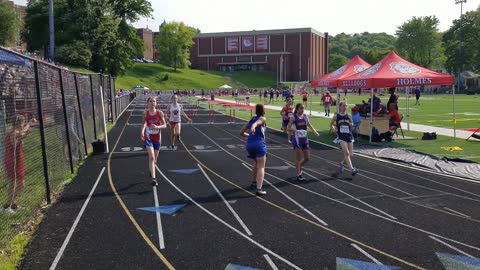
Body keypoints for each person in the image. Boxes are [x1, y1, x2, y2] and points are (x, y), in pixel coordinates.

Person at [2, 115, 37, 213]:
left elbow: (22, 132)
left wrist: (27, 125)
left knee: (20, 184)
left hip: (17, 159)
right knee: (14, 183)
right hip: (12, 161)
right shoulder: (13, 132)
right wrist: (29, 124)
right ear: (18, 124)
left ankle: (12, 204)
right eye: (22, 123)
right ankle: (7, 206)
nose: (23, 125)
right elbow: (21, 132)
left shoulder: (14, 131)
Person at [287, 103, 320, 181]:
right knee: (298, 158)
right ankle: (299, 174)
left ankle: (299, 166)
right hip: (297, 140)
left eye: (303, 108)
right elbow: (288, 128)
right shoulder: (293, 118)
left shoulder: (305, 116)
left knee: (307, 158)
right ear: (297, 109)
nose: (302, 110)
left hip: (305, 139)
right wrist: (296, 130)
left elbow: (309, 124)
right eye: (301, 108)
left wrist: (315, 132)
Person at [240, 104, 267, 196]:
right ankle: (259, 189)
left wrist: (251, 134)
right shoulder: (262, 119)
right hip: (259, 144)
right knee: (261, 166)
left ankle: (254, 182)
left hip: (249, 144)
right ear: (263, 111)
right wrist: (253, 127)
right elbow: (258, 122)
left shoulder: (251, 120)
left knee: (256, 163)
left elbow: (241, 132)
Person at [141, 97, 167, 186]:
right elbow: (144, 123)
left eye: (154, 101)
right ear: (147, 103)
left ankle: (151, 171)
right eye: (151, 101)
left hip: (157, 138)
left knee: (155, 160)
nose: (152, 103)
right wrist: (141, 132)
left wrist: (157, 127)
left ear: (156, 103)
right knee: (151, 157)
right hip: (148, 137)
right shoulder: (145, 113)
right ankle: (154, 179)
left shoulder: (160, 113)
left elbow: (165, 125)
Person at [330, 102, 358, 177]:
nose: (345, 107)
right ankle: (352, 169)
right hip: (341, 136)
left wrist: (351, 124)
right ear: (340, 107)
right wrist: (333, 130)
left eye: (346, 106)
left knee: (351, 154)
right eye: (343, 106)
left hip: (349, 135)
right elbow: (331, 124)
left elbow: (352, 123)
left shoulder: (349, 115)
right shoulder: (336, 116)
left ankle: (342, 163)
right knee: (347, 153)